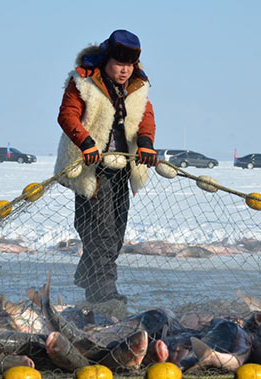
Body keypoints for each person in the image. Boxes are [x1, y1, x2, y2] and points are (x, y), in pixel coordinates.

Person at [54, 30, 158, 304]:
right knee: (99, 231)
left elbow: (145, 118)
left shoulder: (137, 86)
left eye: (129, 66)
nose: (124, 71)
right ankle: (103, 291)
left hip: (122, 168)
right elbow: (68, 115)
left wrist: (146, 143)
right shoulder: (84, 82)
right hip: (90, 168)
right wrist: (86, 143)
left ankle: (89, 278)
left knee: (116, 232)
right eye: (119, 65)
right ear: (105, 61)